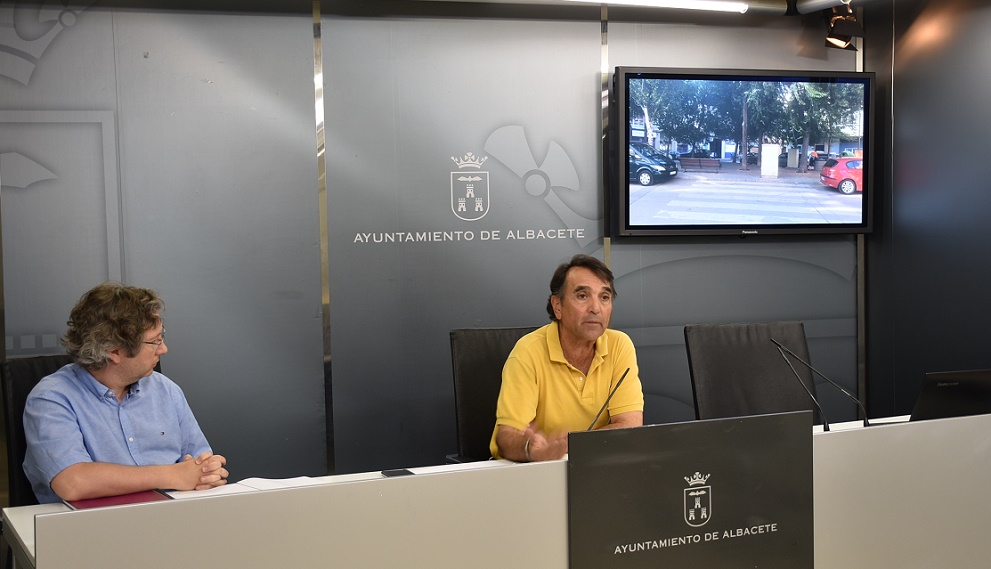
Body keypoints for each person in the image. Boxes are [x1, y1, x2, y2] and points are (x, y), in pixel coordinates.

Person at [22, 282, 228, 503]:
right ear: (114, 351)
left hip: (172, 515)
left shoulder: (167, 390)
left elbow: (200, 463)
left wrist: (208, 472)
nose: (164, 349)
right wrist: (173, 475)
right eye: (155, 341)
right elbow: (72, 483)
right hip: (93, 520)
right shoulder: (51, 399)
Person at [489, 254, 644, 462]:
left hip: (598, 465)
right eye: (583, 296)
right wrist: (532, 450)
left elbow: (630, 426)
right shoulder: (528, 351)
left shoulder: (619, 345)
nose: (595, 308)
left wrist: (569, 445)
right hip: (540, 470)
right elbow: (507, 436)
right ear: (558, 306)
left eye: (604, 297)